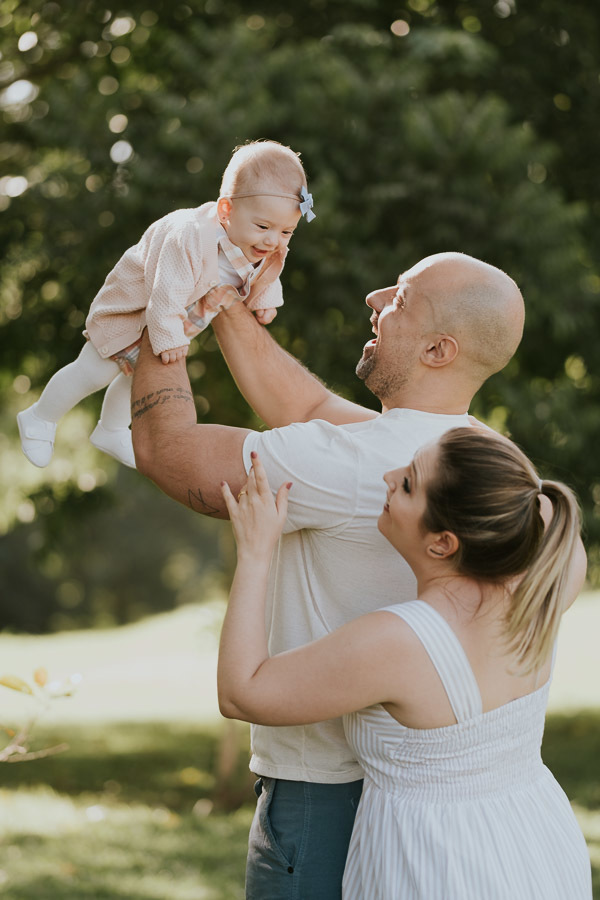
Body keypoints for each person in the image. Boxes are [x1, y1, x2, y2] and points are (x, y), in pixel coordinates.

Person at [130, 251, 526, 897]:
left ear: (437, 349)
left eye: (399, 298)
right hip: (418, 798)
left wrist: (160, 303)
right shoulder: (479, 455)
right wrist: (222, 294)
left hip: (321, 801)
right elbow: (307, 403)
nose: (374, 298)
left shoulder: (352, 462)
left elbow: (163, 449)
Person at [217, 435, 591, 900]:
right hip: (539, 846)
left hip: (439, 867)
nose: (388, 478)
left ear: (443, 543)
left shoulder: (398, 642)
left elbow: (241, 691)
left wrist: (255, 551)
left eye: (409, 483)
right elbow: (537, 504)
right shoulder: (546, 588)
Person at [16, 139, 315, 469]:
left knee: (137, 377)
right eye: (264, 227)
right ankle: (39, 418)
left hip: (176, 320)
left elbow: (270, 271)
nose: (273, 240)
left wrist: (264, 300)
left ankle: (112, 429)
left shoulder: (262, 244)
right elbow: (165, 293)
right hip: (134, 311)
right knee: (93, 371)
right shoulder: (187, 236)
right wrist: (170, 338)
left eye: (287, 231)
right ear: (226, 210)